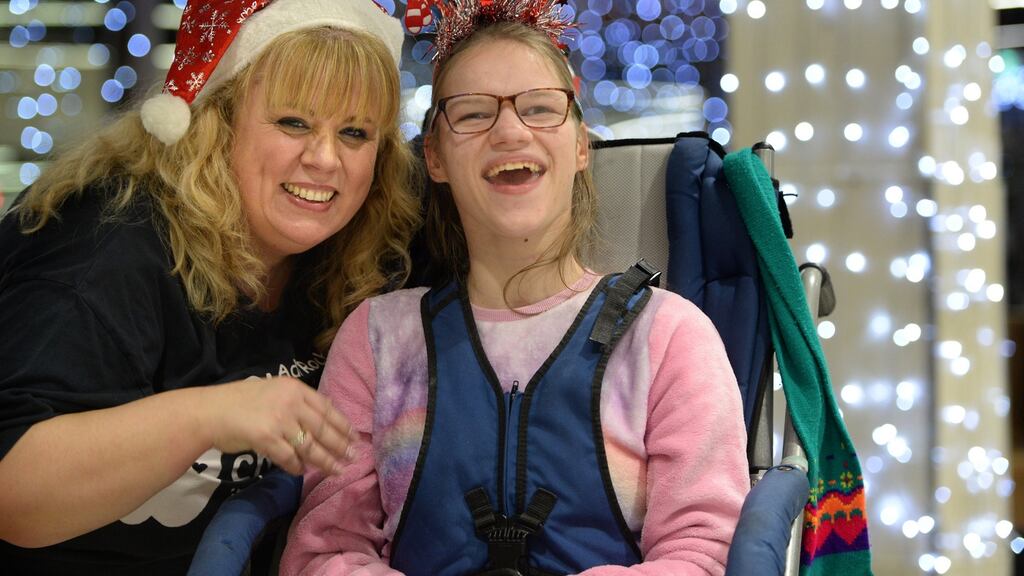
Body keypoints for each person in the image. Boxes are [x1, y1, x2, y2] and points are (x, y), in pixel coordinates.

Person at [281, 2, 749, 575]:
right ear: (434, 155)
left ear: (581, 146)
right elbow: (325, 551)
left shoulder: (670, 337)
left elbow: (705, 555)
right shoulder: (378, 341)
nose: (509, 130)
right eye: (474, 114)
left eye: (539, 108)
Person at [0, 0, 419, 573]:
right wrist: (212, 415)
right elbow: (12, 493)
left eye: (354, 132)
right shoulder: (107, 248)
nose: (324, 158)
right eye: (293, 122)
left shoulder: (364, 253)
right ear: (217, 120)